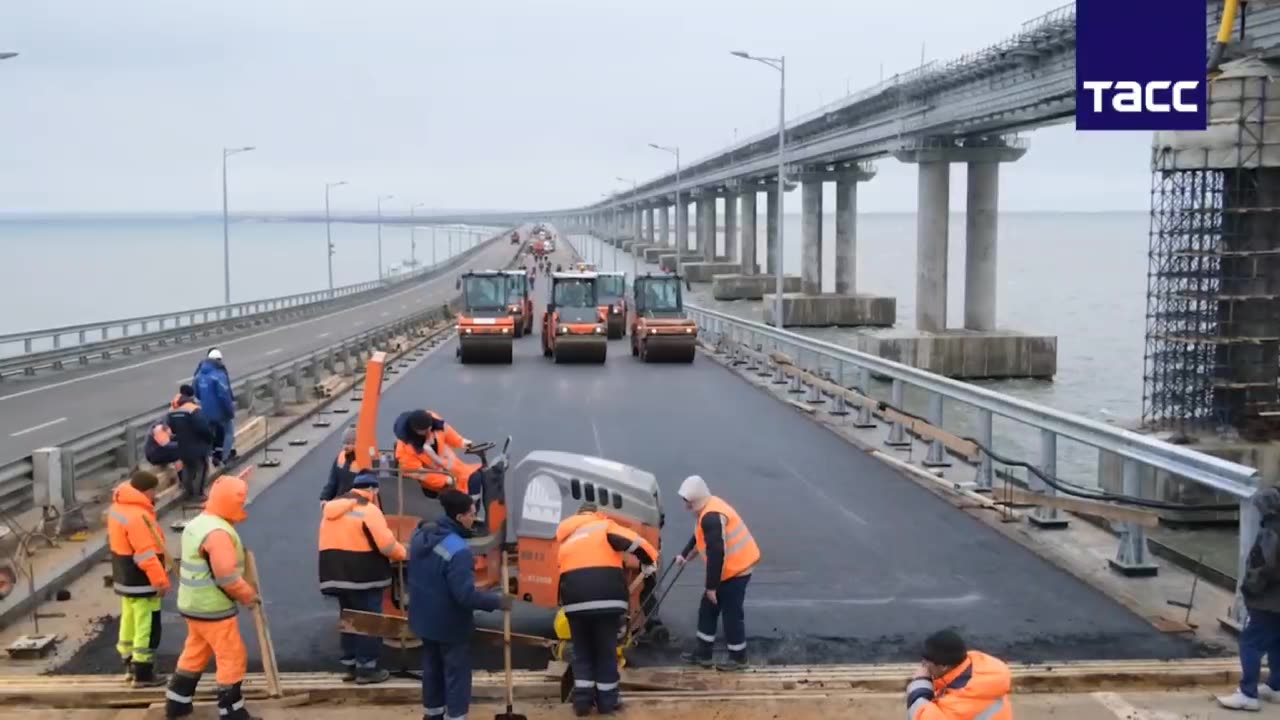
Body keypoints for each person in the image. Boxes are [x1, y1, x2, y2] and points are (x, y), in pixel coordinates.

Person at [164, 474, 260, 720]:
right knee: (231, 655)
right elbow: (226, 575)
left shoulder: (198, 523)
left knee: (196, 651)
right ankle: (231, 710)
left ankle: (178, 701)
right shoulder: (218, 533)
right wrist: (248, 595)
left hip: (192, 603)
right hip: (212, 607)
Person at [408, 490, 508, 720]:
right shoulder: (458, 551)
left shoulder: (419, 536)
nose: (475, 518)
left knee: (432, 669)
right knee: (456, 674)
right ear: (460, 517)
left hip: (423, 620)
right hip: (449, 625)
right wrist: (497, 601)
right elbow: (465, 596)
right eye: (472, 514)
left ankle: (433, 714)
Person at [556, 502, 658, 716]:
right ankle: (607, 702)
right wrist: (649, 562)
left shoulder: (566, 539)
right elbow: (635, 542)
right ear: (595, 513)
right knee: (605, 651)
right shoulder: (602, 526)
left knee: (582, 652)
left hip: (574, 603)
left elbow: (563, 575)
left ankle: (582, 702)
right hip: (606, 600)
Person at [318, 468, 406, 684]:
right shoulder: (369, 509)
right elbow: (386, 545)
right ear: (372, 490)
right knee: (369, 620)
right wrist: (402, 552)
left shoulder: (332, 508)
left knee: (349, 619)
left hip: (334, 572)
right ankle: (367, 669)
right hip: (363, 574)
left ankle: (349, 666)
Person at [674, 475, 760, 671]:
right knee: (707, 609)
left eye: (687, 502)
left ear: (696, 500)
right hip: (727, 570)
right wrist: (684, 555)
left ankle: (739, 659)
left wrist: (711, 587)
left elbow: (716, 554)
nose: (685, 506)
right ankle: (703, 654)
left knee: (731, 613)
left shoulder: (712, 517)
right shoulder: (708, 508)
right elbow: (699, 537)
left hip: (737, 571)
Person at [107, 469, 171, 687]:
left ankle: (129, 665)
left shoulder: (118, 508)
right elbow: (146, 554)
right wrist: (160, 581)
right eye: (154, 491)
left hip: (124, 576)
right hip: (142, 580)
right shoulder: (138, 517)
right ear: (148, 491)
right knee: (147, 625)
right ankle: (143, 673)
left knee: (129, 620)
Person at [1219, 487, 1280, 711]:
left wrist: (1249, 589)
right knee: (1277, 642)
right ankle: (1276, 687)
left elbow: (1264, 567)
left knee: (1250, 643)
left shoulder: (1271, 532)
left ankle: (1247, 693)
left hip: (1269, 601)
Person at [392, 410, 485, 526]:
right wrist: (444, 480)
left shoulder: (432, 420)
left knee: (475, 477)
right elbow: (418, 473)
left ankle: (472, 515)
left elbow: (446, 431)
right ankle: (461, 522)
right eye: (424, 431)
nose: (429, 432)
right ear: (414, 430)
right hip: (432, 481)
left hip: (452, 469)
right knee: (457, 498)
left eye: (430, 428)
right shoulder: (405, 448)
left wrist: (461, 442)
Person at [905, 630, 1012, 720]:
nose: (924, 666)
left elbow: (920, 716)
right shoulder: (979, 673)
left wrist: (921, 682)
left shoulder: (960, 700)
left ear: (943, 666)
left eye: (926, 663)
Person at [167, 384, 215, 498]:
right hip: (197, 444)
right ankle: (198, 494)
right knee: (201, 468)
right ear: (191, 395)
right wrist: (210, 438)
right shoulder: (193, 409)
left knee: (187, 468)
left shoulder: (172, 409)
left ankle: (188, 493)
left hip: (182, 445)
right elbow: (202, 428)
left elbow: (171, 428)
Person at [193, 349, 236, 465]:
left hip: (206, 411)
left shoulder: (199, 375)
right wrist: (230, 411)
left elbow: (196, 392)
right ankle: (225, 458)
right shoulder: (219, 375)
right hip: (220, 412)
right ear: (219, 360)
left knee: (209, 435)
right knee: (229, 432)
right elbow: (224, 396)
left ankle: (211, 459)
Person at [320, 426, 359, 502]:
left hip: (355, 503)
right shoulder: (340, 458)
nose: (345, 446)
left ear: (355, 444)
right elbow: (332, 482)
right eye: (344, 443)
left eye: (348, 443)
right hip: (339, 502)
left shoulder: (363, 461)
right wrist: (324, 498)